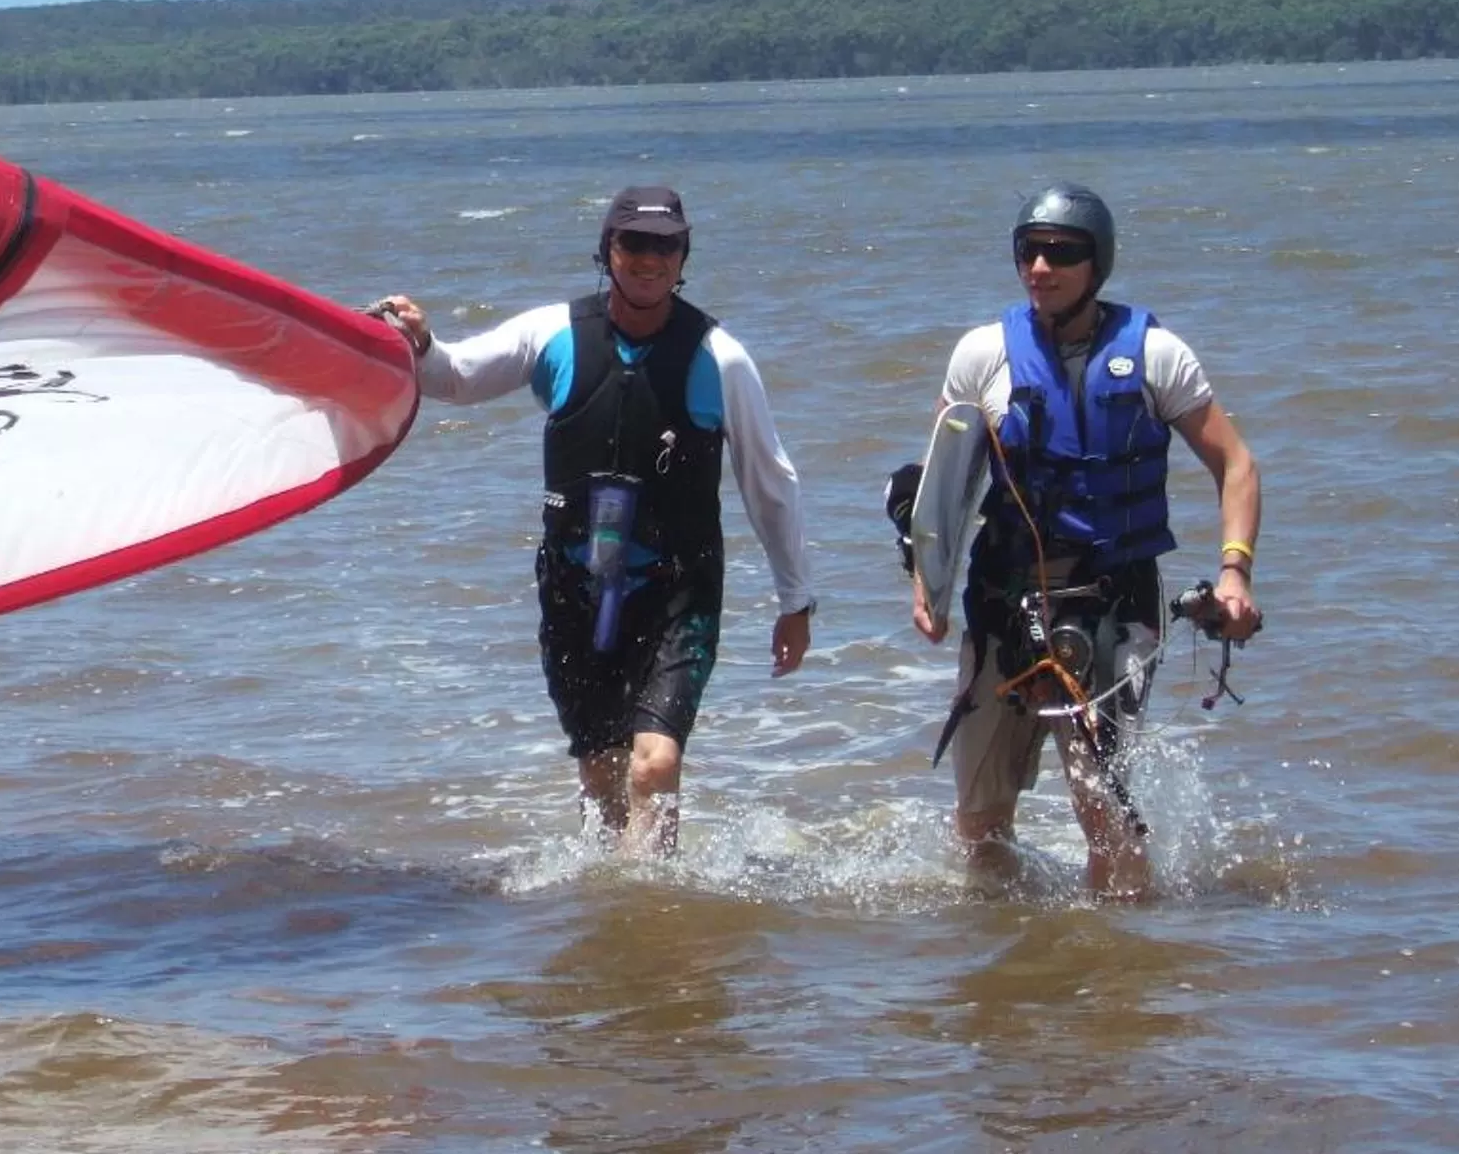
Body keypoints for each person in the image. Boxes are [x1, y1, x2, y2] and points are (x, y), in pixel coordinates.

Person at [372, 186, 816, 854]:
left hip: (678, 590)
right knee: (603, 774)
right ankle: (613, 919)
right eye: (633, 243)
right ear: (607, 250)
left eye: (665, 245)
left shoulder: (720, 357)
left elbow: (769, 481)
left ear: (683, 254)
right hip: (576, 586)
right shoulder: (553, 334)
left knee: (655, 762)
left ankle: (652, 909)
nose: (648, 259)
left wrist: (796, 599)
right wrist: (421, 340)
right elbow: (456, 378)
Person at [905, 183, 1262, 899]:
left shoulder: (1157, 355)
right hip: (1003, 605)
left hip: (1110, 607)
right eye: (1029, 251)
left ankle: (1120, 978)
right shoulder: (982, 354)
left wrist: (1234, 575)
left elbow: (1237, 465)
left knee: (1102, 808)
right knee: (980, 824)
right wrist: (928, 586)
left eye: (1062, 253)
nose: (1041, 267)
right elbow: (939, 485)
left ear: (1097, 264)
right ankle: (1003, 980)